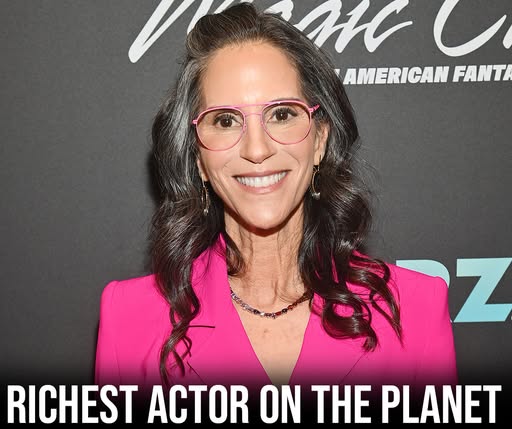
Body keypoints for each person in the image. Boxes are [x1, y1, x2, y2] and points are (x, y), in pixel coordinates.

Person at [95, 4, 456, 393]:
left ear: (320, 140)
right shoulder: (129, 318)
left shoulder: (416, 310)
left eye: (282, 115)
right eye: (226, 120)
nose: (257, 149)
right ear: (198, 158)